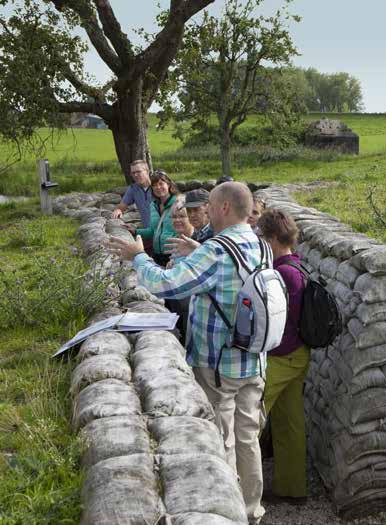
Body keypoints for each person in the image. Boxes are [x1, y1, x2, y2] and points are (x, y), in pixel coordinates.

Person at [108, 182, 267, 524]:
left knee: (219, 439)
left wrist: (137, 256)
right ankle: (253, 511)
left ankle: (229, 513)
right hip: (254, 358)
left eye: (210, 205)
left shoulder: (219, 250)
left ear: (224, 208)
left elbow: (166, 284)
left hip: (217, 363)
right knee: (248, 438)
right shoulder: (258, 243)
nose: (205, 212)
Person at [258, 209, 309, 505]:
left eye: (263, 237)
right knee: (290, 423)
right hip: (300, 354)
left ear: (274, 239)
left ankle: (244, 491)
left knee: (252, 418)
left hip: (281, 356)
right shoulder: (298, 267)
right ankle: (293, 489)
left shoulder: (280, 273)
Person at [132, 170, 179, 267]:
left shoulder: (178, 204)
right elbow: (153, 231)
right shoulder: (153, 206)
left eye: (161, 184)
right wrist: (135, 231)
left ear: (169, 185)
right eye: (154, 185)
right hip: (157, 255)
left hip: (174, 254)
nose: (158, 187)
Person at [165, 198, 193, 342]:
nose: (177, 220)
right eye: (174, 217)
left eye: (182, 216)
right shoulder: (177, 238)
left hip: (191, 306)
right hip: (177, 300)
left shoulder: (197, 240)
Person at [112, 160, 153, 228]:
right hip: (148, 230)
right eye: (133, 173)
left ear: (147, 171)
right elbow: (122, 205)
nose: (135, 175)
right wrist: (118, 210)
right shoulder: (133, 189)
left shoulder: (158, 187)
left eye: (139, 172)